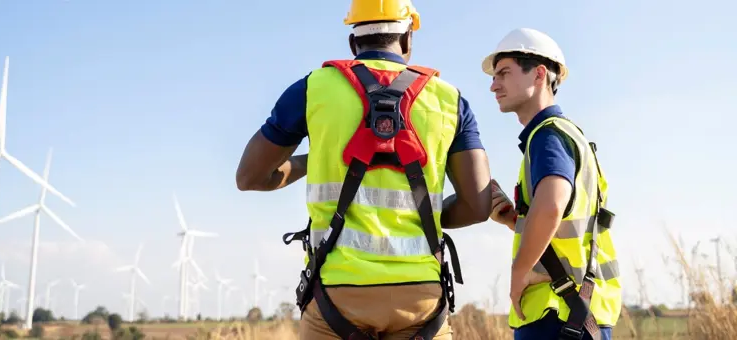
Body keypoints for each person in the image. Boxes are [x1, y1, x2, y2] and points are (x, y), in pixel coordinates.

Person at [235, 1, 494, 338]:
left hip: (336, 297)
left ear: (353, 43)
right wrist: (422, 215)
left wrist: (311, 159)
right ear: (407, 39)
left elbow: (250, 177)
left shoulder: (312, 90)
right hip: (421, 299)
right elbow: (478, 206)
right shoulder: (449, 100)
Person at [482, 28, 622, 340]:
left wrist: (519, 273)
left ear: (539, 75)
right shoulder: (568, 135)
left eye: (503, 73)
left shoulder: (547, 136)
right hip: (581, 312)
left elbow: (552, 205)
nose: (493, 85)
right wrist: (515, 220)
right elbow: (564, 224)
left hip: (556, 313)